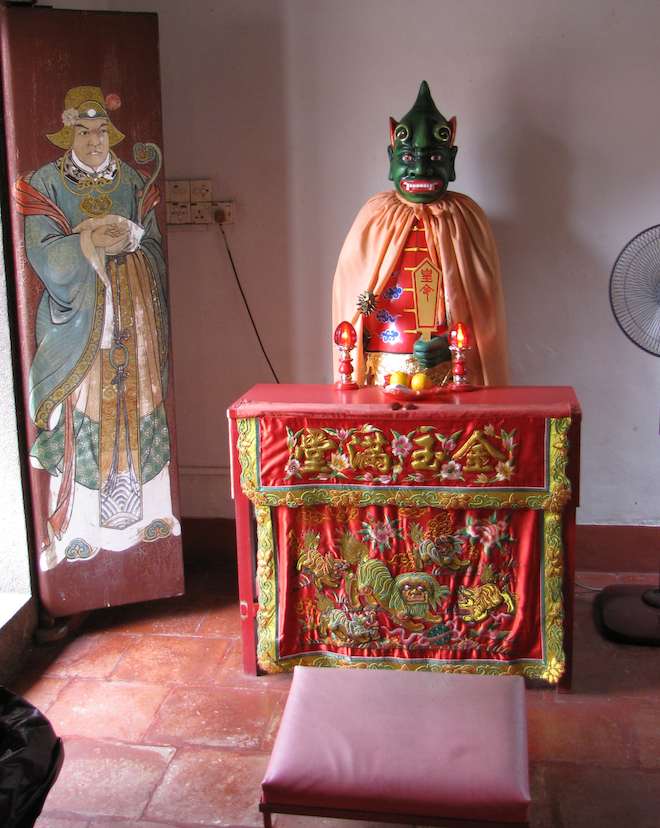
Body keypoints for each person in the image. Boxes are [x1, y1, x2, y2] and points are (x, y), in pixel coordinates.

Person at [16, 85, 180, 571]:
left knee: (142, 403)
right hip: (85, 317)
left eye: (101, 130)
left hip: (135, 318)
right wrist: (88, 241)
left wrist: (129, 236)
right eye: (83, 131)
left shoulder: (128, 176)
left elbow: (151, 240)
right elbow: (42, 251)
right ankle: (80, 527)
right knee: (86, 410)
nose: (93, 141)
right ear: (68, 134)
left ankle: (149, 515)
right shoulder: (46, 182)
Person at [332, 81, 509, 387]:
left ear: (451, 161)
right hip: (381, 366)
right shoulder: (373, 216)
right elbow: (351, 296)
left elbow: (484, 309)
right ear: (392, 158)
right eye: (409, 159)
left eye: (435, 159)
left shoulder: (466, 218)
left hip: (450, 370)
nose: (419, 170)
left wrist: (452, 344)